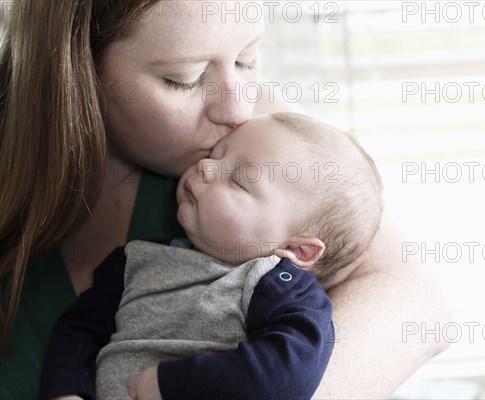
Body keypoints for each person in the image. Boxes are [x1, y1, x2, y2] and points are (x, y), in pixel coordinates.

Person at [0, 1, 451, 399]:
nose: (239, 110)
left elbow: (418, 308)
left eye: (248, 58)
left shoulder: (264, 143)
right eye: (185, 79)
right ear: (75, 72)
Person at [38, 112, 383, 399]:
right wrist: (68, 390)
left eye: (238, 181)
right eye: (217, 154)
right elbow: (80, 329)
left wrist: (173, 384)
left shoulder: (276, 285)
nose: (206, 167)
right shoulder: (133, 260)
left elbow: (287, 371)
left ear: (296, 249)